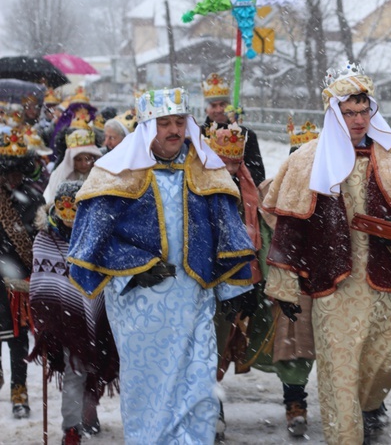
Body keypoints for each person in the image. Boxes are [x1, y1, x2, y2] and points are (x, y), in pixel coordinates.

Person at [262, 62, 391, 444]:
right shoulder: (308, 159)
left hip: (386, 285)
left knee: (381, 370)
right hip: (335, 288)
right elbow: (290, 224)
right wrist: (284, 285)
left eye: (364, 111)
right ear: (333, 113)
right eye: (349, 112)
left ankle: (366, 408)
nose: (358, 120)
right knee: (338, 377)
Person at [67, 87, 257, 443]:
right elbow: (90, 241)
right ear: (146, 128)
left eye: (179, 122)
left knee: (199, 387)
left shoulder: (205, 168)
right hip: (141, 302)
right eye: (164, 123)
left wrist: (234, 286)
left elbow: (226, 229)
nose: (173, 130)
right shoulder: (115, 170)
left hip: (193, 296)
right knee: (151, 388)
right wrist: (135, 267)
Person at [207, 120, 317, 439]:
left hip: (272, 280)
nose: (230, 169)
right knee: (212, 345)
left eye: (236, 162)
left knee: (296, 339)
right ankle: (211, 405)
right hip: (213, 281)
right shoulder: (269, 191)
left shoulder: (253, 192)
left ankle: (302, 401)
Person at [28, 180, 119, 444]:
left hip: (101, 315)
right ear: (55, 207)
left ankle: (89, 412)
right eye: (64, 206)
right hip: (66, 322)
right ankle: (72, 426)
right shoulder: (44, 239)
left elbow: (108, 273)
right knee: (75, 370)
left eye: (75, 207)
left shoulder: (96, 234)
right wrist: (48, 321)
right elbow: (42, 283)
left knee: (97, 367)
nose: (69, 215)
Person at [0, 127, 45, 418]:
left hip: (19, 285)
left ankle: (20, 390)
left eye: (18, 171)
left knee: (18, 341)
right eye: (7, 171)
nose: (12, 177)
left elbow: (42, 241)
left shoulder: (33, 196)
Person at [200, 73, 265, 186]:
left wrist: (235, 177)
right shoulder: (198, 135)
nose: (219, 110)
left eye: (222, 104)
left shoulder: (247, 135)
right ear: (206, 109)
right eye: (213, 106)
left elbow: (258, 174)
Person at [43, 129, 102, 204]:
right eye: (78, 159)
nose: (84, 164)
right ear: (71, 159)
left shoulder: (101, 176)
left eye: (88, 159)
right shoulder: (58, 176)